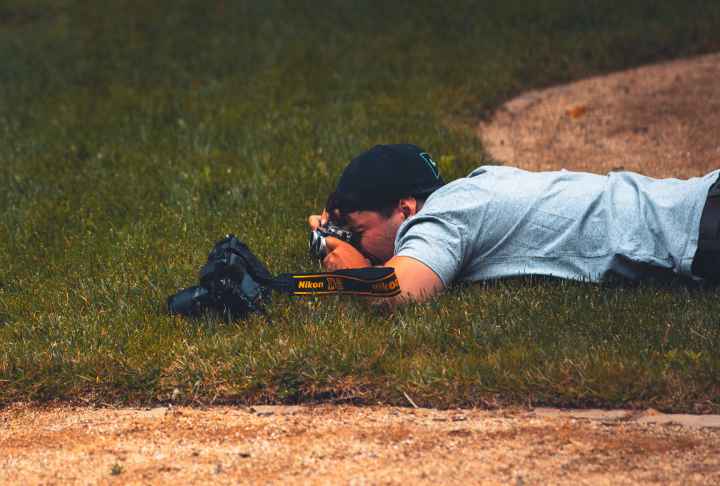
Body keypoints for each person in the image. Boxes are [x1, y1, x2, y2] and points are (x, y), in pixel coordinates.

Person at [307, 144, 720, 308]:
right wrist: (335, 230)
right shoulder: (473, 187)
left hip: (700, 232)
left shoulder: (443, 218)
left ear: (405, 209)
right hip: (698, 207)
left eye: (359, 233)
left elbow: (396, 293)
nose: (357, 243)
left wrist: (349, 267)